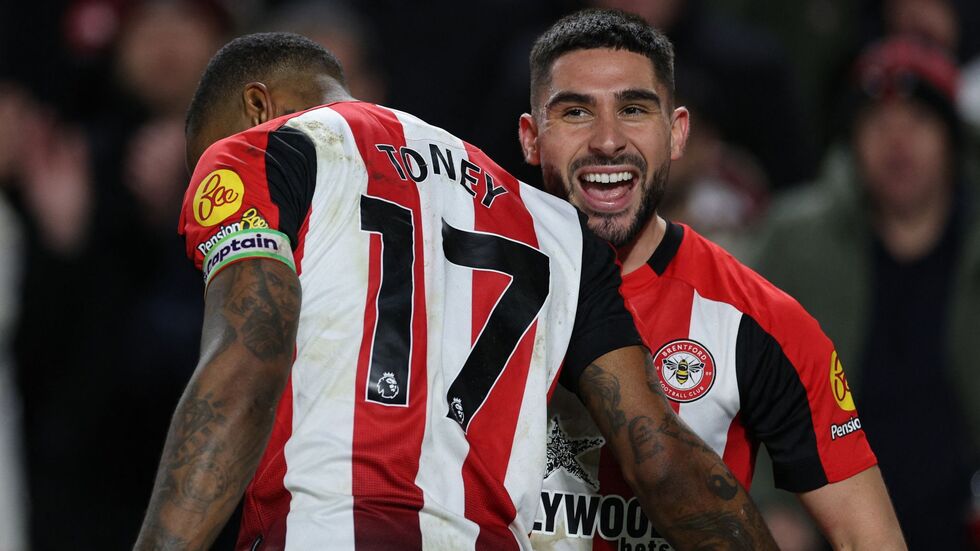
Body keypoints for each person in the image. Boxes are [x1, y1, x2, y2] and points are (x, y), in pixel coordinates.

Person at [133, 32, 777, 551]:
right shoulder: (556, 226)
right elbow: (663, 461)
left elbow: (250, 356)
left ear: (256, 108)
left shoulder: (265, 150)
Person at [516, 10, 907, 550]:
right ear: (532, 139)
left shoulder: (762, 321)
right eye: (577, 112)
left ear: (676, 134)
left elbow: (871, 540)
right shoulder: (464, 287)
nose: (607, 140)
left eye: (633, 109)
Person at [756, 36, 980, 549]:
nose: (897, 143)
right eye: (878, 123)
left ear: (951, 138)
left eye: (918, 123)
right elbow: (746, 381)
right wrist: (771, 504)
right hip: (826, 526)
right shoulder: (795, 241)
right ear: (851, 141)